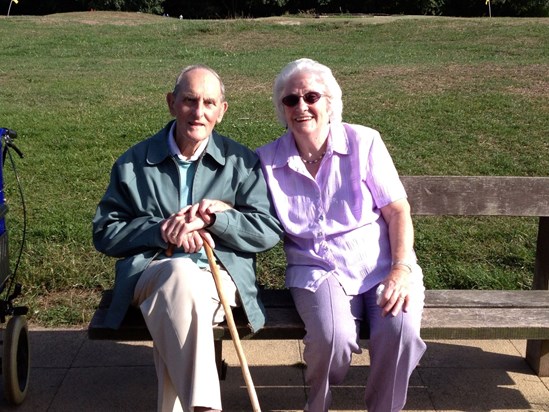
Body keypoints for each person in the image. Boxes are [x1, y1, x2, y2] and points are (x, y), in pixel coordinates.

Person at [93, 65, 282, 412]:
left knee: (180, 300)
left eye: (209, 103)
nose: (199, 112)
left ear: (222, 111)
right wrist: (158, 230)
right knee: (179, 279)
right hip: (152, 272)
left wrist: (216, 222)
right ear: (171, 103)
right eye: (189, 100)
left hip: (220, 276)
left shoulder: (241, 162)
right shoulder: (134, 163)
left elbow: (267, 230)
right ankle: (205, 407)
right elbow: (105, 232)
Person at [256, 58, 426, 412]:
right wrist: (215, 208)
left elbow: (397, 211)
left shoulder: (364, 142)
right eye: (290, 100)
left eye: (311, 97)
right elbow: (243, 203)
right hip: (316, 268)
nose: (301, 106)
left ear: (330, 102)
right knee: (332, 339)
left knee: (401, 332)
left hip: (381, 264)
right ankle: (317, 406)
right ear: (282, 109)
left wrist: (401, 269)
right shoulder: (268, 160)